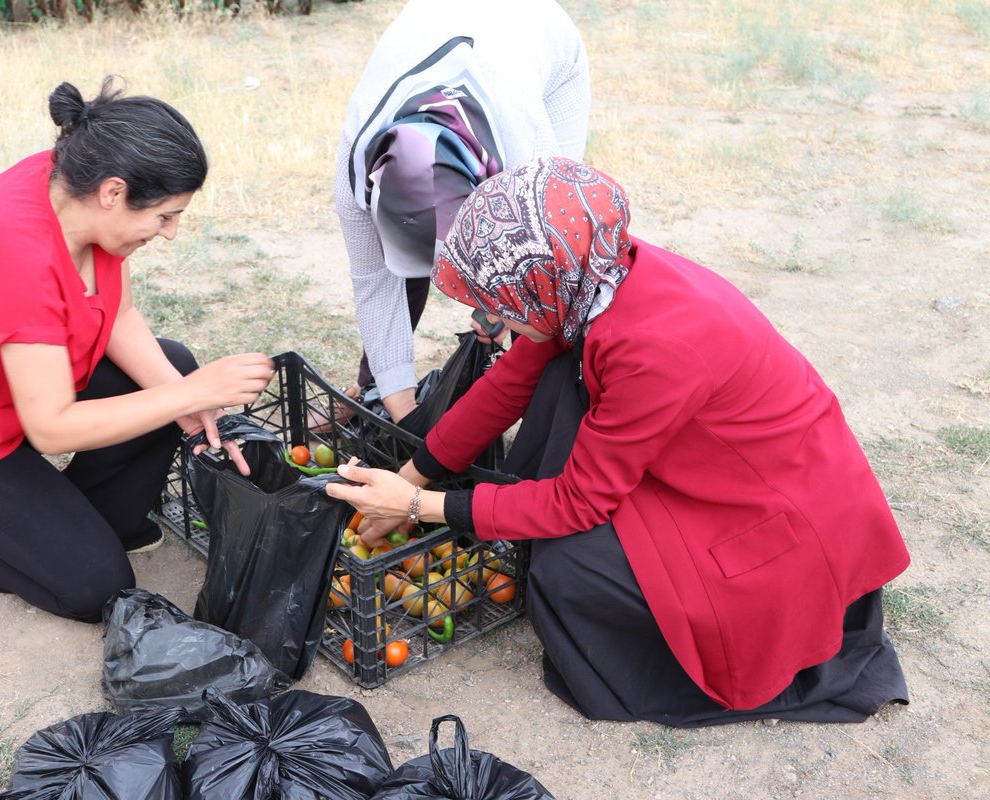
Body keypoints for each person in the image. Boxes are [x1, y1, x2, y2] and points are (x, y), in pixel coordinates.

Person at [327, 157, 912, 727]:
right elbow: (508, 384)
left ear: (539, 286)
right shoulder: (594, 275)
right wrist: (413, 477)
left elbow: (579, 503)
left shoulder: (653, 347)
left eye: (503, 306)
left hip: (775, 520)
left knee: (568, 571)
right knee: (556, 380)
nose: (496, 320)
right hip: (736, 470)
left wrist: (415, 507)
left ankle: (712, 648)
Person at [0, 77, 275, 622]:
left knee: (172, 368)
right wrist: (197, 391)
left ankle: (71, 524)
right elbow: (53, 429)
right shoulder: (14, 253)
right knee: (97, 588)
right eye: (164, 215)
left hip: (23, 398)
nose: (172, 231)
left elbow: (121, 316)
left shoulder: (77, 186)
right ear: (114, 193)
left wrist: (188, 395)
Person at [334, 0, 591, 423]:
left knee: (550, 276)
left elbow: (554, 260)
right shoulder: (353, 175)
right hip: (436, 26)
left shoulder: (531, 166)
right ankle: (375, 385)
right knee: (404, 272)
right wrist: (405, 412)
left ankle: (556, 404)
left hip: (538, 34)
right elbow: (373, 284)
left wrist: (504, 307)